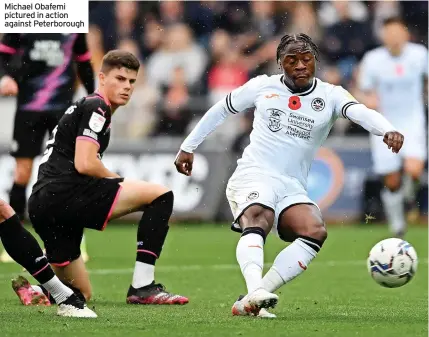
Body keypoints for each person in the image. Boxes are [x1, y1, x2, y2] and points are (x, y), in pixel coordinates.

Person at [175, 33, 404, 318]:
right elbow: (221, 110)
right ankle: (255, 288)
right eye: (291, 60)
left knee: (314, 231)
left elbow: (361, 112)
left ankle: (251, 300)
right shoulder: (262, 87)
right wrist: (188, 146)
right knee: (259, 215)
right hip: (254, 174)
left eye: (306, 59)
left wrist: (387, 130)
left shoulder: (330, 95)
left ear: (315, 61)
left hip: (291, 185)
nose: (299, 65)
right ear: (279, 63)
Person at [12, 50, 188, 310]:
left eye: (131, 82)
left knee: (79, 293)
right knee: (161, 196)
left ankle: (39, 291)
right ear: (102, 78)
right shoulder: (98, 106)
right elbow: (85, 163)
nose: (126, 86)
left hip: (42, 202)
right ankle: (143, 286)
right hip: (65, 192)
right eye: (120, 78)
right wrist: (116, 178)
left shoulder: (84, 106)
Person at [0, 33, 94, 262]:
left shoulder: (72, 22)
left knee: (68, 174)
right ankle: (15, 243)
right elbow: (2, 56)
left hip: (63, 111)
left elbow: (83, 61)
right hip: (28, 110)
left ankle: (75, 242)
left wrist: (94, 97)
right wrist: (4, 77)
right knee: (22, 173)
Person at [357, 17, 428, 237]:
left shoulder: (419, 54)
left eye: (397, 33)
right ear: (383, 36)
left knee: (414, 170)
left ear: (405, 34)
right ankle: (398, 223)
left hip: (412, 120)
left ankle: (408, 198)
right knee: (392, 180)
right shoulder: (373, 59)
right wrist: (367, 99)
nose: (394, 38)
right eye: (389, 34)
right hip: (384, 124)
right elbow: (360, 89)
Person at [0, 198, 96, 317]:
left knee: (3, 211)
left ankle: (37, 291)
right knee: (82, 293)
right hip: (58, 212)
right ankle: (63, 297)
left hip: (51, 206)